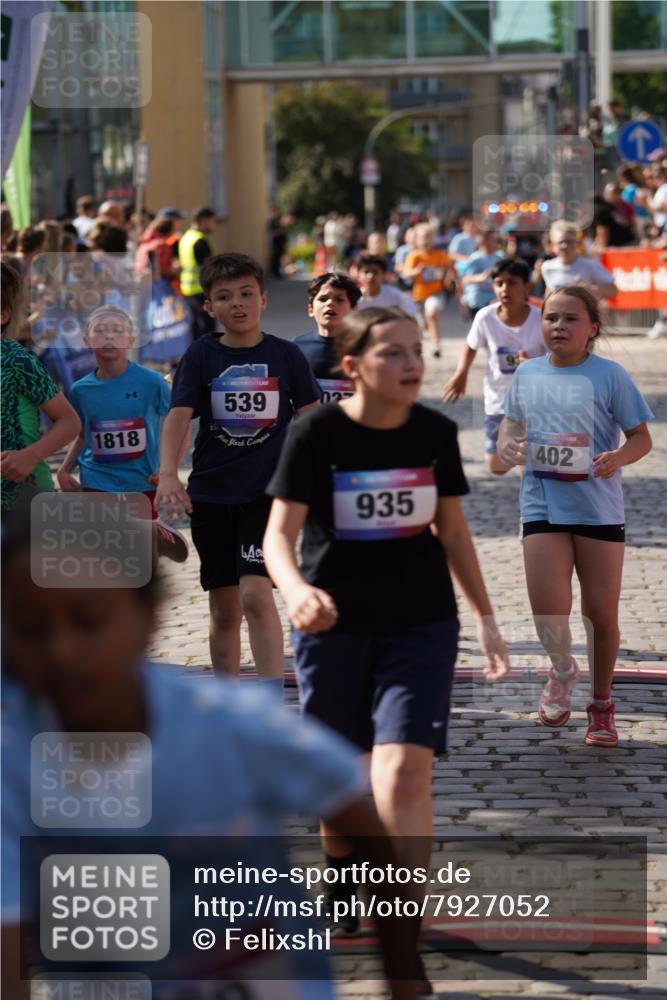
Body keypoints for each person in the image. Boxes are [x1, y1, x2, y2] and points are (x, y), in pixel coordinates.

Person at [0, 501, 423, 1000]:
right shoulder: (13, 762)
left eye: (89, 621)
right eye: (30, 629)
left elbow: (361, 823)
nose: (61, 650)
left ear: (148, 617)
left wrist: (403, 977)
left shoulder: (228, 722)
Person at [263, 306, 510, 932]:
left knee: (401, 769)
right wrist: (293, 591)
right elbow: (277, 537)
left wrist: (485, 617)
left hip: (421, 621)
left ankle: (403, 915)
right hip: (332, 625)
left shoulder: (431, 431)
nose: (410, 364)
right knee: (342, 778)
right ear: (353, 367)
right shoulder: (315, 434)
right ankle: (341, 877)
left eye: (416, 352)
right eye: (392, 353)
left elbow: (451, 531)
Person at [154, 253, 321, 686]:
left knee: (255, 594)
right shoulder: (200, 355)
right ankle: (227, 703)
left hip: (268, 494)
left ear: (263, 299)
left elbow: (312, 416)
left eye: (247, 294)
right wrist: (169, 474)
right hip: (211, 493)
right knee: (224, 607)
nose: (238, 304)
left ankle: (269, 702)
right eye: (225, 297)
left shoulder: (286, 356)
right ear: (209, 307)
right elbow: (178, 417)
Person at [497, 286, 653, 747]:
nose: (559, 327)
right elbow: (511, 424)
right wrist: (508, 444)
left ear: (592, 329)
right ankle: (563, 670)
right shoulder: (527, 373)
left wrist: (618, 458)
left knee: (600, 614)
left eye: (570, 319)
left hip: (597, 508)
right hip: (542, 502)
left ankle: (601, 707)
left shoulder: (610, 376)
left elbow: (641, 437)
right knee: (549, 608)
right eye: (551, 319)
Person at [56, 304, 188, 563]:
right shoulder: (81, 390)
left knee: (141, 557)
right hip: (97, 477)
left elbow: (179, 424)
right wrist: (64, 469)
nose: (108, 336)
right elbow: (84, 433)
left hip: (141, 479)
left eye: (117, 331)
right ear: (86, 340)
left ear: (131, 339)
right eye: (100, 331)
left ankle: (156, 532)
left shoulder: (152, 383)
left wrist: (167, 469)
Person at [443, 257, 546, 474]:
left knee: (525, 463)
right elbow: (471, 346)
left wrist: (534, 367)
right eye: (499, 283)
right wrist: (461, 374)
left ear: (527, 286)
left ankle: (533, 497)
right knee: (496, 466)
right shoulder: (485, 317)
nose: (504, 289)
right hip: (497, 400)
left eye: (512, 283)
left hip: (532, 403)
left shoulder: (540, 320)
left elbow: (555, 358)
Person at [1, 260, 81, 516]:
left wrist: (30, 456)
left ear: (3, 314)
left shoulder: (16, 360)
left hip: (24, 499)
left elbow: (69, 421)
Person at [294, 271, 362, 403]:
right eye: (323, 299)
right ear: (311, 309)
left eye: (339, 299)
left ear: (354, 310)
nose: (330, 303)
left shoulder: (364, 348)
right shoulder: (296, 347)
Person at [403, 224, 455, 357]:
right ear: (417, 241)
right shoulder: (415, 256)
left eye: (429, 238)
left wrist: (449, 278)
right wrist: (417, 271)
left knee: (431, 313)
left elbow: (451, 269)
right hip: (418, 296)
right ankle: (423, 339)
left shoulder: (440, 255)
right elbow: (405, 274)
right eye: (423, 239)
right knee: (421, 324)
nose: (426, 242)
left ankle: (437, 345)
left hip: (436, 293)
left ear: (434, 240)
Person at [541, 222, 617, 300]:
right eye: (560, 242)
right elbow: (549, 292)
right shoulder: (547, 267)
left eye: (569, 241)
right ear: (552, 245)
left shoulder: (590, 265)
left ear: (577, 243)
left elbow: (613, 290)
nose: (565, 246)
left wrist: (590, 289)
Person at [178, 206, 217, 339]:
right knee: (206, 328)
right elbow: (209, 268)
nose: (214, 225)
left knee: (194, 328)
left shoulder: (186, 237)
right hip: (200, 290)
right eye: (212, 221)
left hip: (187, 290)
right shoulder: (199, 240)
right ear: (204, 221)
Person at [459, 228, 504, 320]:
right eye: (493, 241)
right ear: (483, 242)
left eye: (496, 241)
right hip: (478, 299)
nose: (496, 244)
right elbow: (466, 279)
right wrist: (481, 277)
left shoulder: (500, 256)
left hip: (494, 298)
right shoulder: (475, 258)